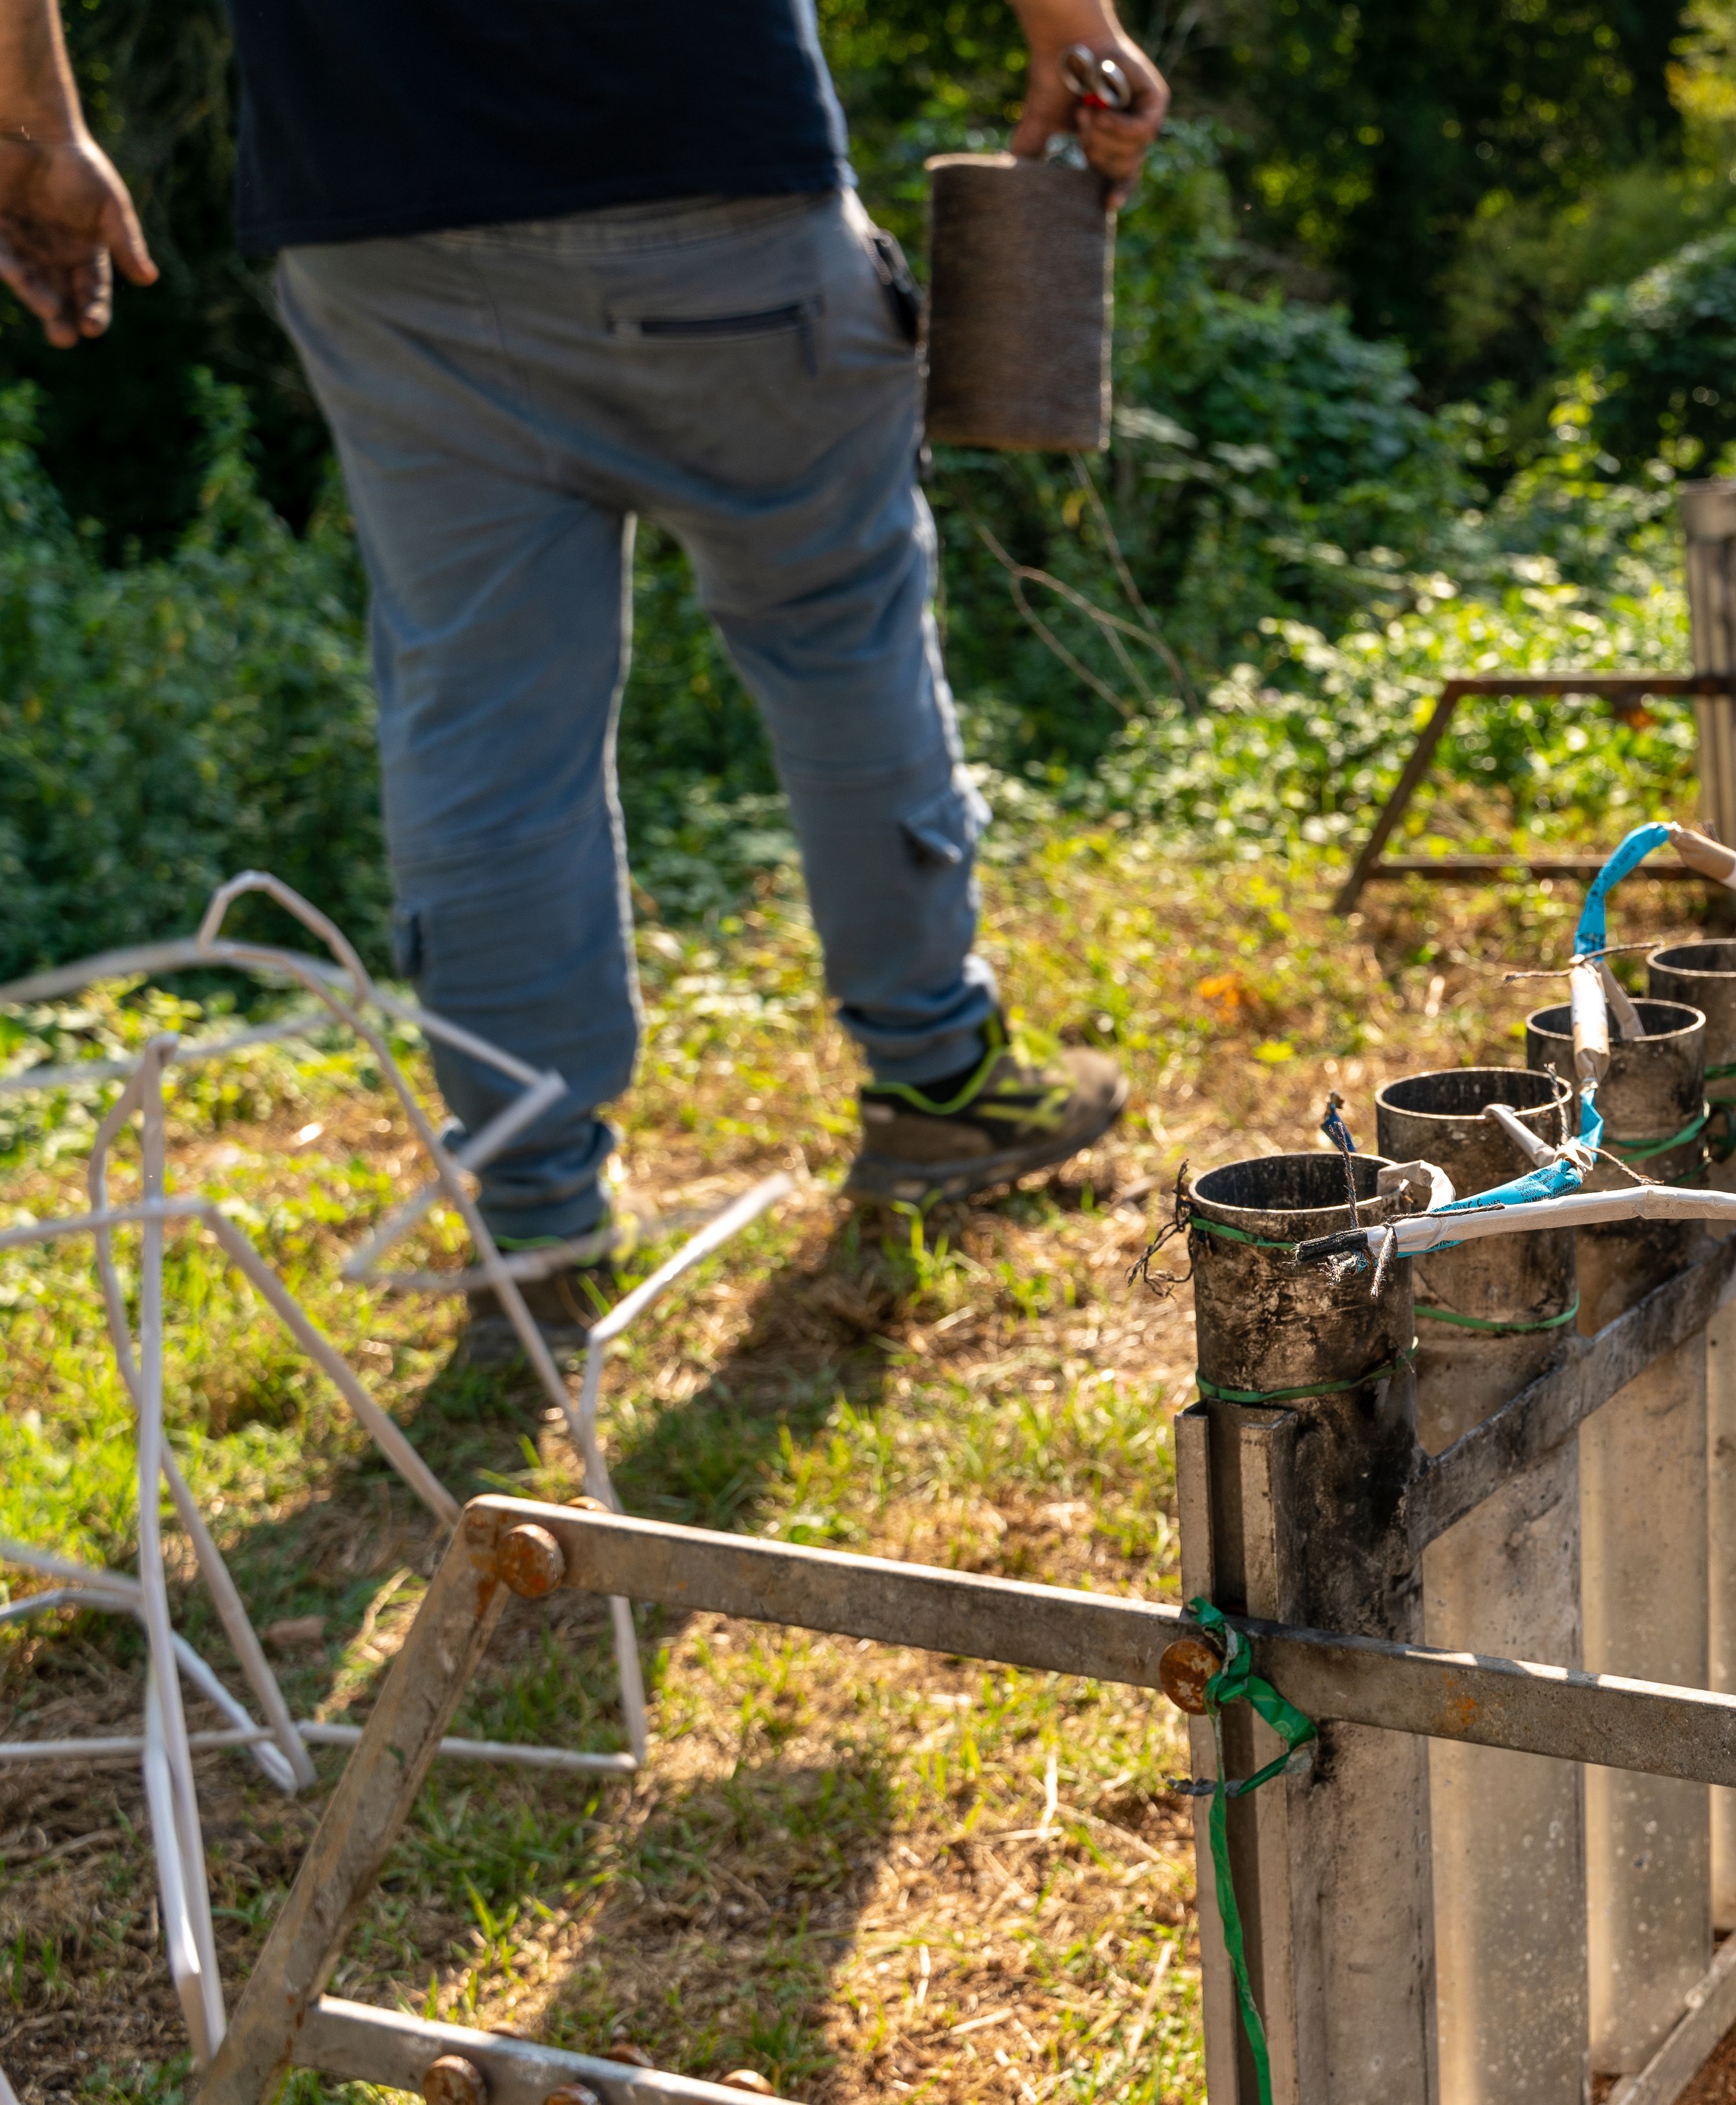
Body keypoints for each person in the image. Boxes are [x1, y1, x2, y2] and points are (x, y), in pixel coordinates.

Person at [0, 0, 1163, 1358]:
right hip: (705, 166)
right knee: (838, 629)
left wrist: (35, 128)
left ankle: (536, 1218)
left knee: (480, 715)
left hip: (373, 217)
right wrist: (1072, 26)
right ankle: (940, 1081)